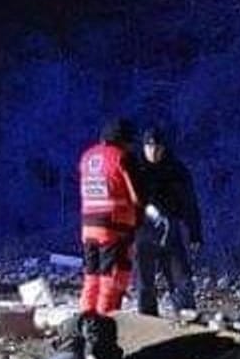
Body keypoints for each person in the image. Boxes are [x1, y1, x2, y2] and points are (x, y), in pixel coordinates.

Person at [132, 126, 203, 316]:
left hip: (170, 230)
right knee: (144, 281)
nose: (153, 151)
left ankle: (186, 316)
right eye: (149, 146)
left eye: (157, 147)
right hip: (142, 231)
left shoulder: (176, 170)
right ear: (144, 147)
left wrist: (195, 232)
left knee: (181, 278)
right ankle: (147, 318)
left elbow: (189, 203)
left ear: (164, 148)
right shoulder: (135, 168)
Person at [78, 118, 140, 317]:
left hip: (88, 226)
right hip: (114, 226)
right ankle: (106, 321)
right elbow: (136, 196)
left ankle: (86, 319)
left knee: (91, 275)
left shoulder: (87, 157)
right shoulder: (122, 157)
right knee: (110, 277)